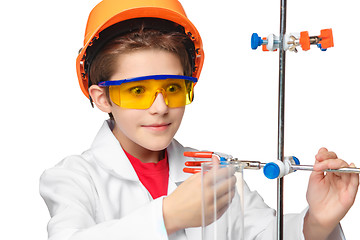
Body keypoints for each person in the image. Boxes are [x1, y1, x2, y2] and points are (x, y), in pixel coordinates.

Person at [39, 0, 359, 239]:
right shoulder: (73, 179)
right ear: (101, 97)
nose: (160, 107)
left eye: (174, 88)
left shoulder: (217, 170)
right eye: (138, 90)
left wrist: (318, 221)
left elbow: (263, 234)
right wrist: (167, 216)